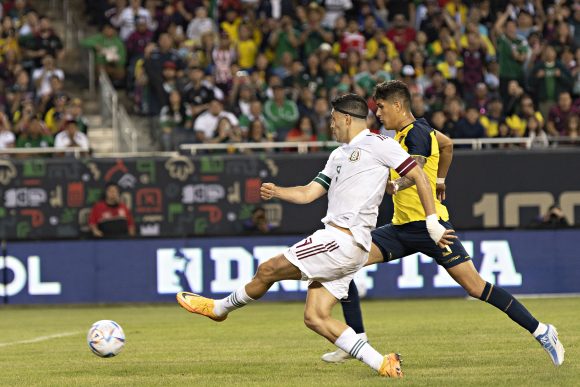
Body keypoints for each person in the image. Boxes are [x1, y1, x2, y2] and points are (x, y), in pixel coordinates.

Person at [176, 93, 454, 377]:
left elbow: (418, 174)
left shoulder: (379, 143)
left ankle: (219, 309)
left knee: (267, 269)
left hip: (340, 241)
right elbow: (310, 192)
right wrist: (278, 191)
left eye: (333, 120)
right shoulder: (338, 155)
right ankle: (383, 363)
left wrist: (432, 221)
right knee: (315, 317)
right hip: (350, 247)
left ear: (347, 118)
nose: (331, 126)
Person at [320, 80, 565, 367]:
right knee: (344, 263)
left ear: (398, 105)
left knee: (476, 287)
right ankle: (356, 340)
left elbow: (416, 170)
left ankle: (542, 331)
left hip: (430, 229)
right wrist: (441, 180)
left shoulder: (417, 134)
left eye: (382, 107)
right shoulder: (419, 132)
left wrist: (397, 184)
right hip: (400, 228)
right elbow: (447, 145)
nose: (379, 114)